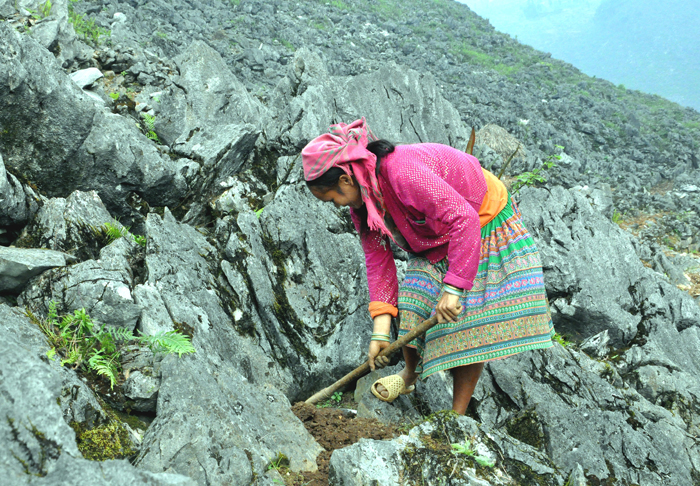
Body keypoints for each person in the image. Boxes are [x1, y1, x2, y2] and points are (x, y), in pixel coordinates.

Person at [301, 118, 554, 414]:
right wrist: (381, 331)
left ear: (345, 180)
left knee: (468, 322)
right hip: (435, 234)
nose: (337, 205)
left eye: (332, 198)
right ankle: (410, 375)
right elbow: (378, 261)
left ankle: (456, 415)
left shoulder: (403, 173)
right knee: (413, 299)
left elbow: (465, 220)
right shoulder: (364, 203)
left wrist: (454, 288)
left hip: (481, 219)